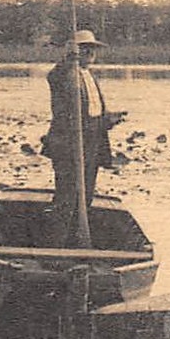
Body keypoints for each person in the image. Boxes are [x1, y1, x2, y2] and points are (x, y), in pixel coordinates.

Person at [42, 30, 122, 245]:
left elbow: (92, 112)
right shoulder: (66, 74)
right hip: (69, 144)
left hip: (93, 144)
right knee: (66, 197)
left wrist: (108, 119)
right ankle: (56, 246)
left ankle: (77, 243)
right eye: (85, 48)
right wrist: (68, 60)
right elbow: (54, 78)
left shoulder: (89, 75)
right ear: (75, 51)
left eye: (93, 49)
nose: (90, 53)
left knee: (85, 196)